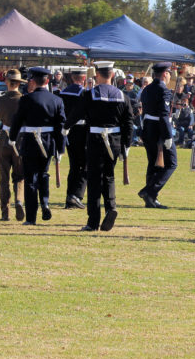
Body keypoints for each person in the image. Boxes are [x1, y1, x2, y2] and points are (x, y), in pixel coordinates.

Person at [67, 62, 133, 232]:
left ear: (97, 75)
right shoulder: (122, 96)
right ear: (112, 74)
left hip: (95, 140)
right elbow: (129, 122)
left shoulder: (89, 95)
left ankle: (93, 221)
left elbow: (76, 114)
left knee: (94, 179)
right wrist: (126, 144)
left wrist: (65, 127)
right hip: (115, 141)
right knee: (109, 176)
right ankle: (111, 208)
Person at [8, 67, 66, 225]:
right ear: (47, 81)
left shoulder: (27, 99)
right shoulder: (57, 100)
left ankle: (31, 217)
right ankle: (45, 202)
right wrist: (61, 148)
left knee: (30, 179)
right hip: (48, 142)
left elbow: (17, 120)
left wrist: (12, 138)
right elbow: (61, 126)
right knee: (44, 174)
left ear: (32, 81)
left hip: (31, 141)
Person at [0, 69, 26, 221]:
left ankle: (5, 213)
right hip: (20, 140)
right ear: (19, 83)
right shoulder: (24, 100)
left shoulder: (0, 100)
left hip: (4, 140)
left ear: (6, 83)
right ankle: (19, 200)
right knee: (19, 176)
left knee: (4, 178)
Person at [138, 62, 176, 209]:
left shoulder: (146, 89)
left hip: (148, 128)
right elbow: (164, 115)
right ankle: (149, 192)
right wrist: (168, 136)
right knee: (171, 163)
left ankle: (150, 198)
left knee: (153, 163)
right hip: (159, 130)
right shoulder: (164, 90)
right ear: (165, 74)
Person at [57, 67, 88, 210]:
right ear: (83, 79)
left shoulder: (62, 93)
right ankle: (75, 196)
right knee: (84, 165)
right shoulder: (84, 93)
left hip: (67, 132)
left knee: (74, 165)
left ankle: (71, 196)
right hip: (81, 131)